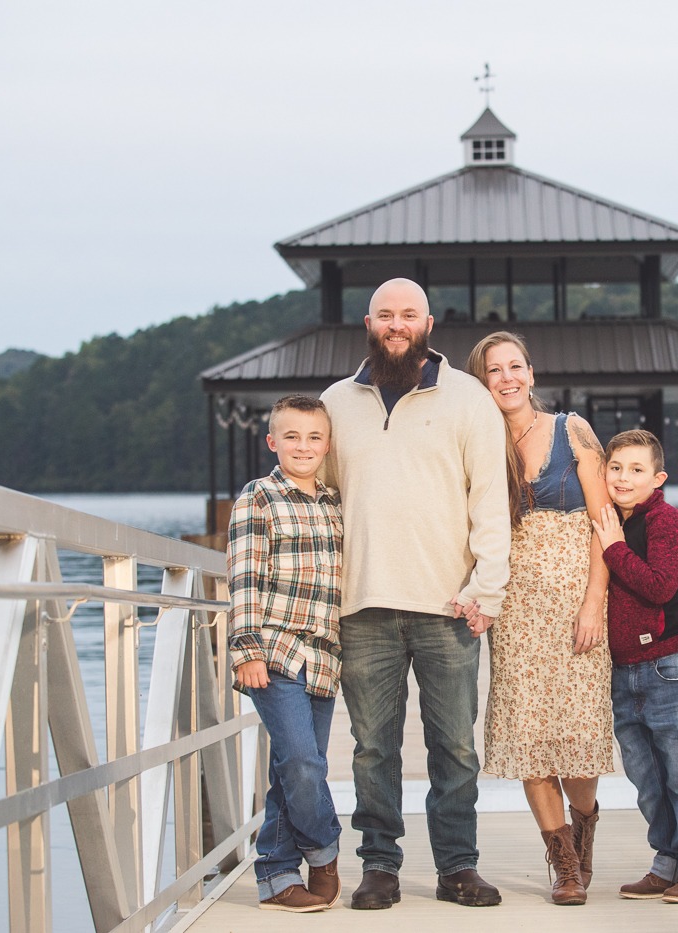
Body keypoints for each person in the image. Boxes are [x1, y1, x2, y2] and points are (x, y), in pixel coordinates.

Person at [320, 277, 511, 910]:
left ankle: (458, 867)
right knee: (373, 748)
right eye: (385, 315)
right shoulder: (335, 402)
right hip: (362, 602)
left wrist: (487, 589)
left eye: (408, 314)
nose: (396, 324)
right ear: (367, 322)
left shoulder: (469, 399)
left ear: (429, 322)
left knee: (455, 745)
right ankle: (380, 867)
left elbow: (490, 502)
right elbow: (315, 497)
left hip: (449, 603)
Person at [465, 331, 613, 906]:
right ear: (481, 383)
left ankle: (585, 824)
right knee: (528, 737)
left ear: (530, 372)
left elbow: (605, 523)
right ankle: (564, 863)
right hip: (515, 610)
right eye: (494, 370)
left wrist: (593, 603)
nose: (506, 378)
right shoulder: (478, 444)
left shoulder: (571, 430)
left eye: (515, 366)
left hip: (576, 601)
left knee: (578, 739)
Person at [591, 429, 678, 905]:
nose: (624, 478)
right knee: (647, 778)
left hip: (671, 665)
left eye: (637, 470)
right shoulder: (609, 521)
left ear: (658, 477)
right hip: (625, 670)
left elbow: (661, 587)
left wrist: (613, 548)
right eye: (616, 468)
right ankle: (667, 862)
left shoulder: (667, 522)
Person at [227, 394, 345, 913]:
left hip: (325, 657)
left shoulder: (335, 502)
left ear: (328, 444)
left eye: (314, 437)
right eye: (291, 437)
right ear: (272, 442)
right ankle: (323, 851)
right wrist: (246, 648)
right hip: (275, 652)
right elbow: (245, 580)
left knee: (294, 768)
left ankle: (276, 876)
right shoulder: (258, 498)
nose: (303, 446)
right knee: (301, 761)